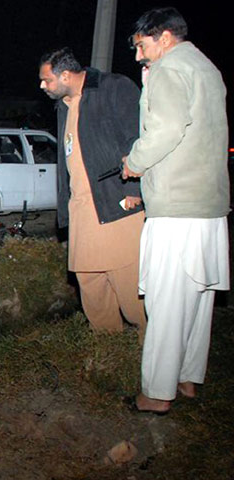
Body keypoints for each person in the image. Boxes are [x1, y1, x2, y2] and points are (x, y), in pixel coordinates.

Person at [121, 7, 229, 414]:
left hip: (178, 210)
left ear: (164, 37)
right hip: (208, 207)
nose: (138, 57)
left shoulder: (169, 69)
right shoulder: (206, 68)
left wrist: (135, 161)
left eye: (142, 46)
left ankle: (156, 394)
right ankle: (186, 379)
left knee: (166, 304)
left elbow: (165, 130)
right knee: (196, 301)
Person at [38, 48, 147, 342]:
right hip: (82, 210)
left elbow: (136, 137)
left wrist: (134, 189)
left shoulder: (114, 87)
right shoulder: (64, 105)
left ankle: (148, 349)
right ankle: (108, 346)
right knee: (91, 283)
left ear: (65, 75)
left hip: (117, 202)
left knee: (128, 283)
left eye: (46, 80)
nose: (42, 86)